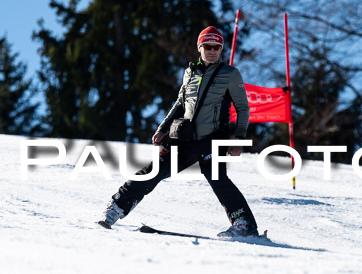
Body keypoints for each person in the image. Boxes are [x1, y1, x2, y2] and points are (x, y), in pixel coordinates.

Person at [98, 26, 259, 237]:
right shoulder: (190, 73)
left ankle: (244, 224)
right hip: (185, 137)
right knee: (153, 171)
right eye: (208, 46)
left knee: (217, 178)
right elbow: (180, 104)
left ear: (221, 50)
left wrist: (238, 138)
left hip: (213, 138)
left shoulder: (230, 74)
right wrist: (162, 128)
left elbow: (243, 108)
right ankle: (116, 208)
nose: (212, 51)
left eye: (217, 47)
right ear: (199, 47)